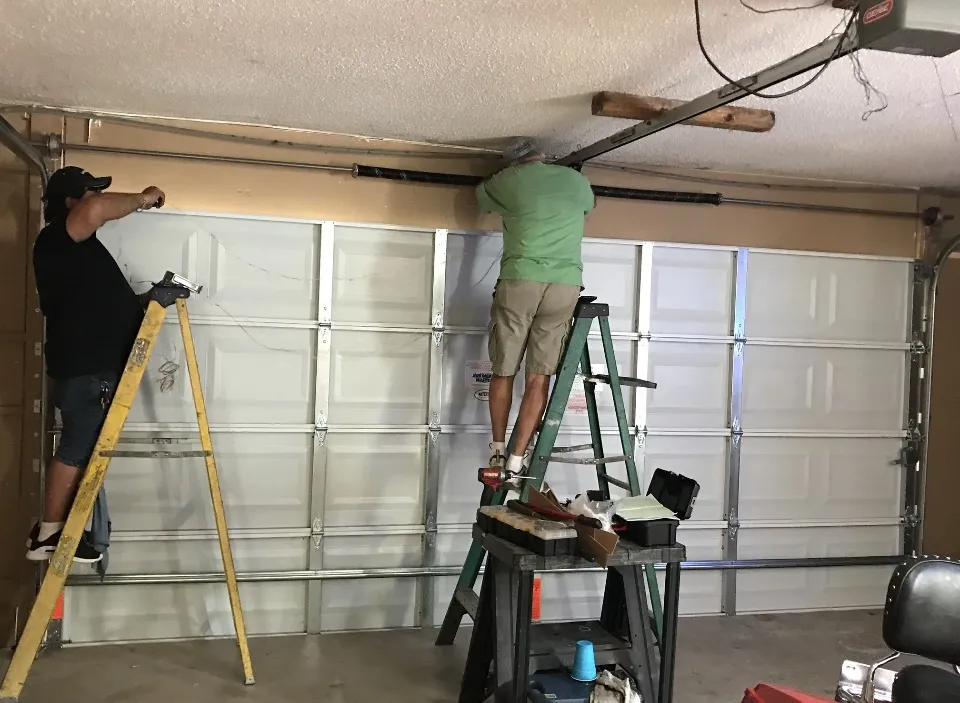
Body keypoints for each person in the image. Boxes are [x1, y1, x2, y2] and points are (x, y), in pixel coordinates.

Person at [27, 166, 165, 563]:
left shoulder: (75, 251)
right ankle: (48, 535)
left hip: (90, 368)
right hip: (88, 370)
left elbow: (96, 306)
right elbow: (99, 208)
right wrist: (144, 197)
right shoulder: (59, 238)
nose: (96, 200)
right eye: (88, 194)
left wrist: (146, 300)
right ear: (71, 203)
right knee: (75, 449)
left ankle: (62, 529)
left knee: (83, 450)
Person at [476, 138, 595, 476]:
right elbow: (588, 207)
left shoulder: (507, 179)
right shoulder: (577, 182)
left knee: (504, 369)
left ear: (514, 162)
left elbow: (481, 198)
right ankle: (518, 458)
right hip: (565, 284)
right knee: (538, 376)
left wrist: (503, 180)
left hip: (521, 279)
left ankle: (498, 452)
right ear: (542, 157)